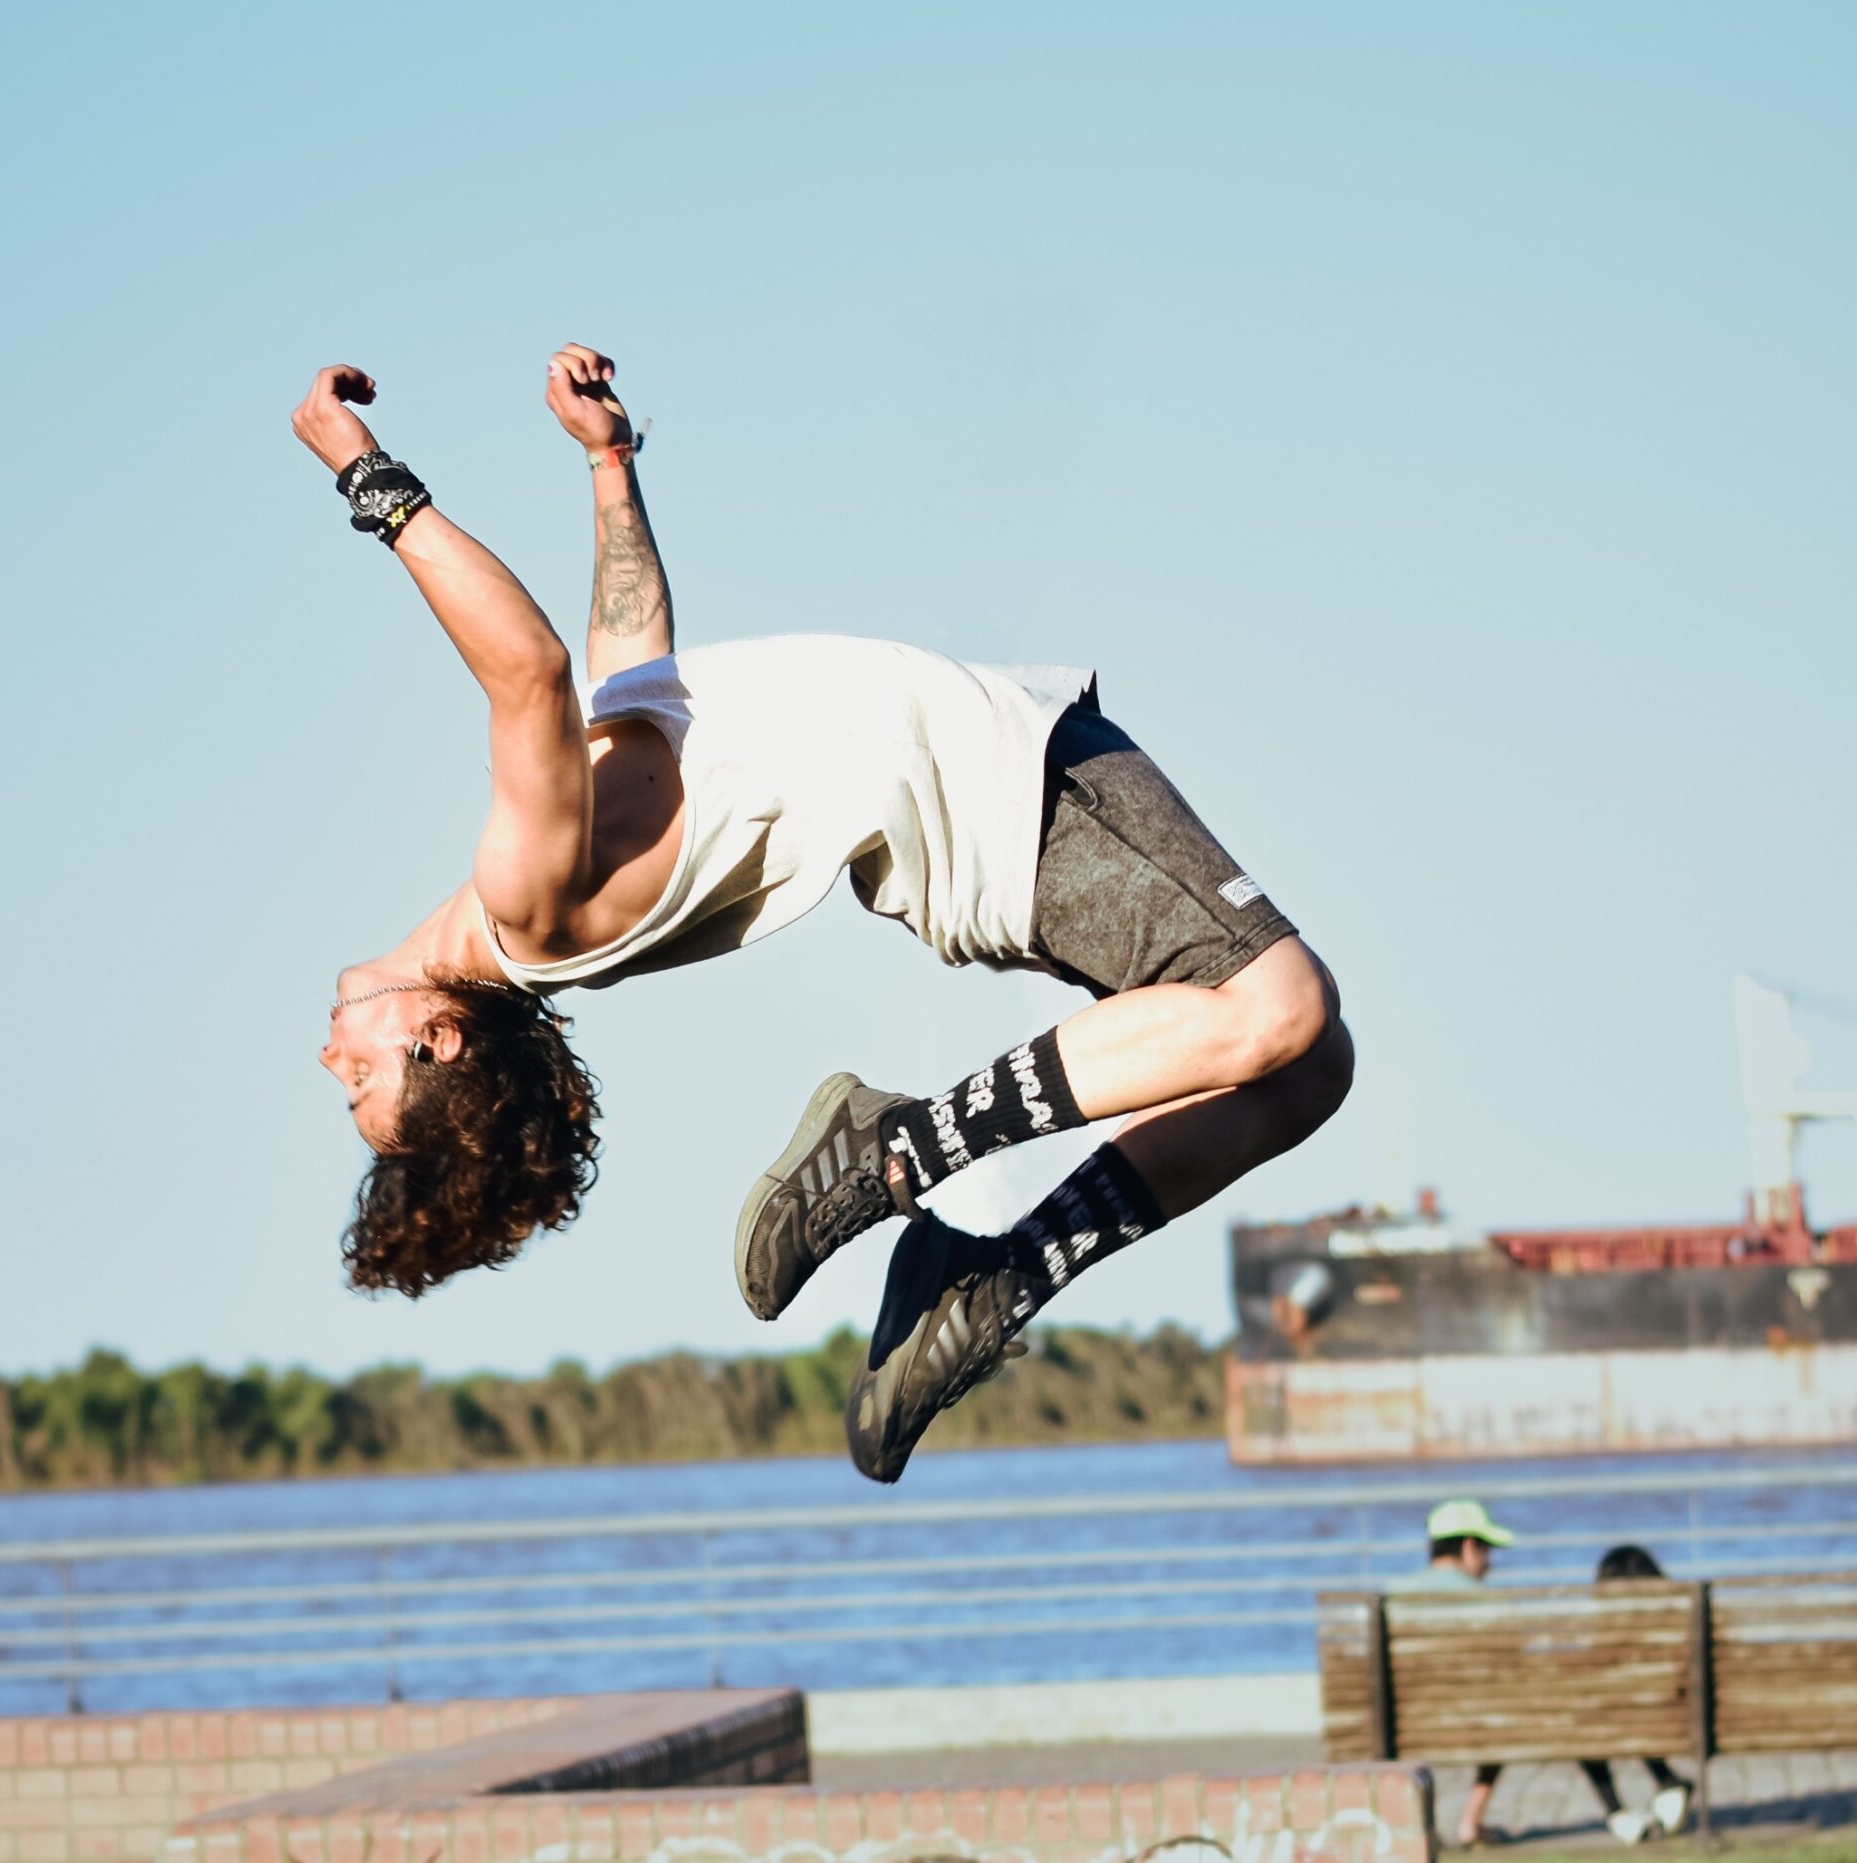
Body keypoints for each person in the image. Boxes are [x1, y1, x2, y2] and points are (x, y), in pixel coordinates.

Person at [296, 347, 1355, 1485]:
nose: (329, 1057)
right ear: (436, 1037)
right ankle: (893, 1147)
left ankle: (999, 1276)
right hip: (989, 782)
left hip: (967, 823)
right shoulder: (524, 902)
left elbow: (623, 665)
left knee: (1308, 1070)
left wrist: (610, 466)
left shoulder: (547, 905)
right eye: (360, 1080)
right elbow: (527, 670)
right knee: (1280, 1009)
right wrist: (364, 472)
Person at [1386, 1500, 1513, 1845]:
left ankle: (1417, 1826)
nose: (1489, 1561)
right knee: (1510, 1715)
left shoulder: (1391, 1598)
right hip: (1476, 1721)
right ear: (1470, 1546)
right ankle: (1470, 1822)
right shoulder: (1489, 1603)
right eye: (1487, 1550)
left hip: (1401, 1721)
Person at [1582, 1545, 1693, 1844]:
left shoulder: (1608, 1641)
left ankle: (1618, 1813)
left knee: (1589, 1729)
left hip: (1631, 1719)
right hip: (1686, 1720)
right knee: (1641, 1713)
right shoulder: (1684, 1622)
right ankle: (1669, 1782)